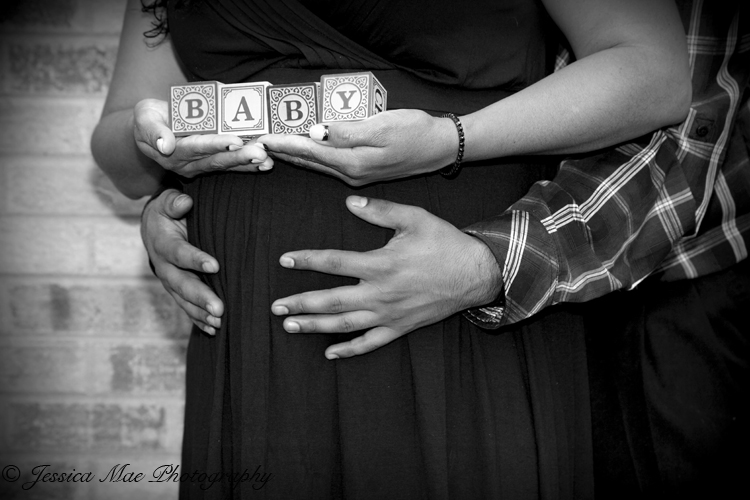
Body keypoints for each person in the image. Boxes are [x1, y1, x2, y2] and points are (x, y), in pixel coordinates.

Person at [92, 0, 691, 497]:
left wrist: (452, 140)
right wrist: (157, 151)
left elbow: (653, 73)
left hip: (460, 300)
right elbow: (124, 145)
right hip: (249, 321)